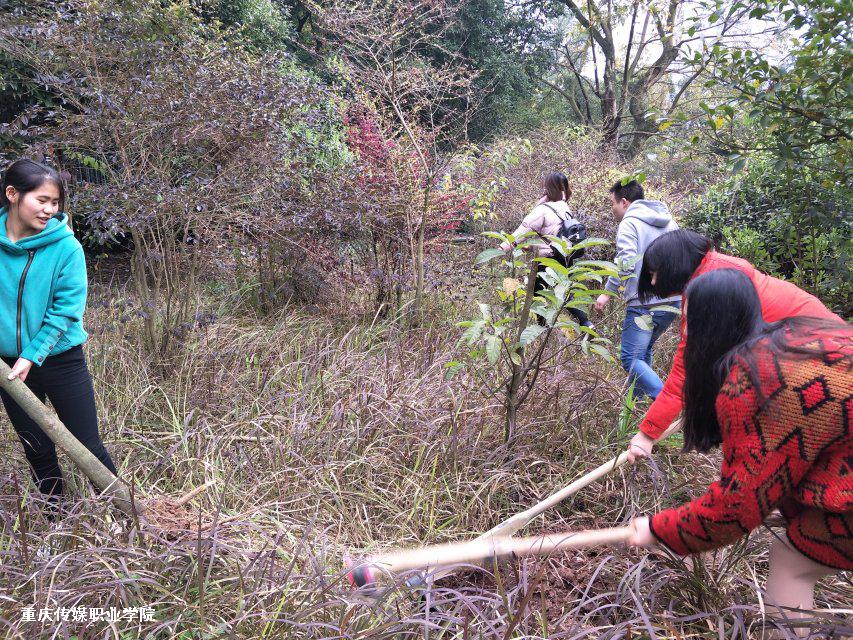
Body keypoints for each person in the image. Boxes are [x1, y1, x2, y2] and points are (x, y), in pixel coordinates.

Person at [627, 269, 851, 631]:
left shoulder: (755, 383)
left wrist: (659, 529)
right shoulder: (791, 337)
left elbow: (735, 509)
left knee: (792, 559)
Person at [625, 229, 843, 462]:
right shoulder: (717, 268)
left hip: (820, 357)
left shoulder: (712, 292)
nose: (654, 282)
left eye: (654, 274)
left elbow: (685, 371)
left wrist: (647, 434)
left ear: (673, 265)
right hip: (828, 344)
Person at [0, 159, 117, 510]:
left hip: (59, 359)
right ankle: (58, 521)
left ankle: (129, 522)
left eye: (55, 203)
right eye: (42, 200)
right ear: (12, 194)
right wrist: (15, 361)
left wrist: (31, 355)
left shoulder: (67, 248)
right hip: (8, 367)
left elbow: (66, 311)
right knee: (37, 448)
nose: (49, 210)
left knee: (86, 444)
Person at [594, 180, 680, 399]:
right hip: (672, 301)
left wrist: (607, 292)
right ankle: (638, 406)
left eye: (612, 203)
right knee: (643, 352)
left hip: (644, 303)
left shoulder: (629, 223)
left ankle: (666, 402)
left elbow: (626, 262)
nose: (612, 209)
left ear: (624, 202)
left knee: (630, 359)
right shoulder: (669, 222)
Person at [501, 171, 594, 329]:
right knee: (565, 292)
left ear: (547, 188)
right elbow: (551, 234)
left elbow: (524, 229)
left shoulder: (543, 210)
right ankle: (586, 323)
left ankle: (542, 328)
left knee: (537, 294)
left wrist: (503, 247)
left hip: (547, 260)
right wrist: (532, 246)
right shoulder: (565, 208)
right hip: (565, 257)